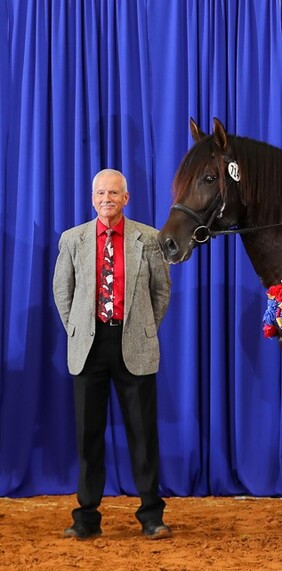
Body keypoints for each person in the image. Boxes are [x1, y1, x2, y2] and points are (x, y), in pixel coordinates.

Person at [53, 169, 172, 540]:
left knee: (143, 434)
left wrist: (143, 327)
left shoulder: (148, 239)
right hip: (89, 348)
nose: (107, 199)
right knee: (88, 436)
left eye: (114, 193)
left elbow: (161, 292)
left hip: (133, 343)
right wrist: (77, 330)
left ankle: (151, 515)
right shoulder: (72, 239)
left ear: (126, 198)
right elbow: (63, 291)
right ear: (93, 199)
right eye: (101, 193)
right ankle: (86, 517)